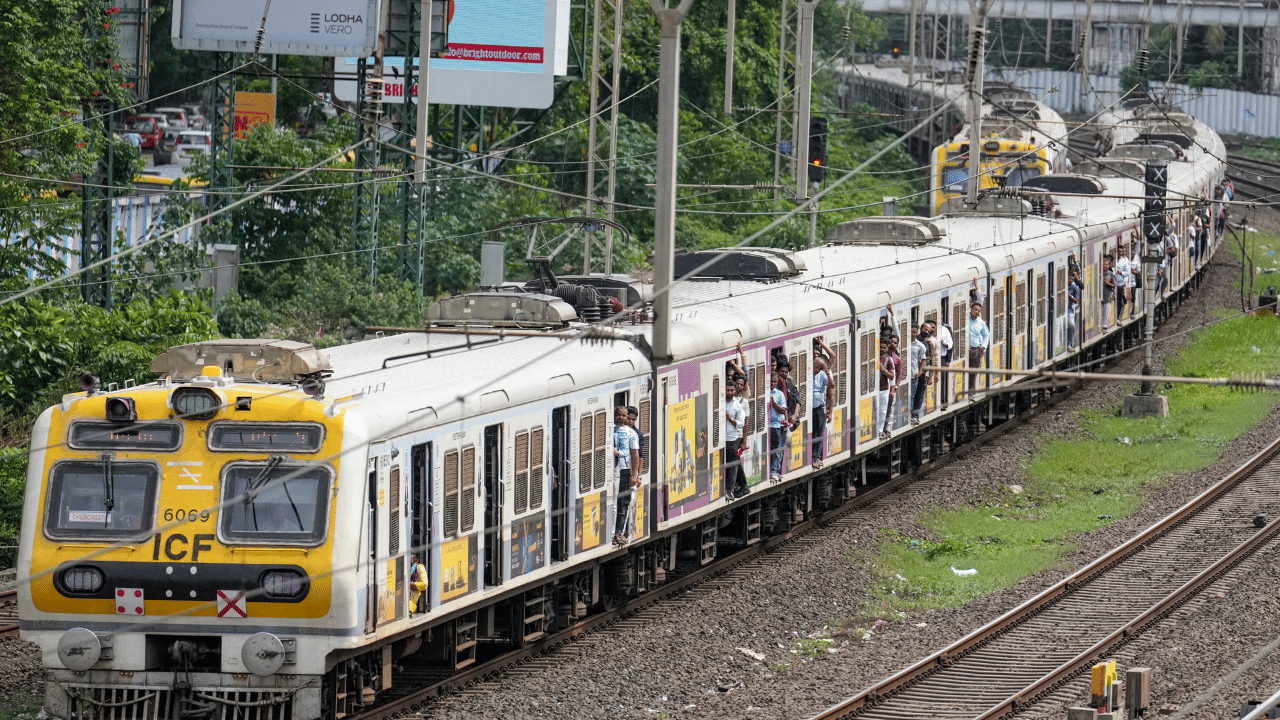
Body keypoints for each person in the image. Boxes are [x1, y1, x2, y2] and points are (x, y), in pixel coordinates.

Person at [612, 406, 640, 546]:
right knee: (612, 503)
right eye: (619, 415)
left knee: (623, 502)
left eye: (624, 415)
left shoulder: (631, 433)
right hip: (612, 471)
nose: (621, 418)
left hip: (624, 470)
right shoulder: (610, 430)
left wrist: (634, 474)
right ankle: (613, 533)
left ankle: (619, 533)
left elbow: (635, 455)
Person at [724, 378, 748, 497]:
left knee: (733, 465)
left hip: (732, 439)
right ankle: (737, 486)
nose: (729, 392)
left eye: (731, 390)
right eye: (727, 390)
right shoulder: (720, 403)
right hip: (721, 440)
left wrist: (730, 419)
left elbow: (741, 423)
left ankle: (730, 490)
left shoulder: (737, 405)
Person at [810, 353, 833, 469]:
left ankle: (815, 457)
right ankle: (812, 457)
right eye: (816, 367)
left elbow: (832, 385)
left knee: (819, 434)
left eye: (820, 367)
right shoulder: (809, 375)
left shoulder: (823, 375)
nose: (817, 369)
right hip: (811, 410)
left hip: (819, 408)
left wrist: (826, 371)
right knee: (812, 433)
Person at [927, 318, 953, 410]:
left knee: (941, 381)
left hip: (941, 359)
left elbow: (950, 344)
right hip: (930, 361)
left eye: (933, 327)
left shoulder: (944, 330)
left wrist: (945, 345)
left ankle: (942, 401)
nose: (932, 329)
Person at [768, 372, 788, 482]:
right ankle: (770, 470)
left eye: (775, 381)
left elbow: (782, 410)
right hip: (768, 426)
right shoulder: (764, 393)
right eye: (771, 381)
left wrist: (773, 403)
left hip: (776, 425)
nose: (773, 383)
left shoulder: (779, 394)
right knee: (770, 449)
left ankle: (774, 470)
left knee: (777, 449)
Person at [966, 301, 989, 394]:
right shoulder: (965, 319)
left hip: (975, 349)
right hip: (965, 349)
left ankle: (971, 390)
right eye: (975, 310)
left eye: (979, 311)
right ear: (971, 310)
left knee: (973, 371)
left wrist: (983, 347)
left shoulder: (981, 322)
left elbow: (986, 335)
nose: (977, 312)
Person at [876, 340, 896, 441]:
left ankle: (880, 431)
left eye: (884, 348)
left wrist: (883, 370)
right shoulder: (873, 358)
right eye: (880, 347)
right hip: (874, 390)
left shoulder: (888, 360)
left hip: (883, 389)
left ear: (887, 349)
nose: (882, 350)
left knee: (882, 411)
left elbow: (892, 376)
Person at [909, 324, 929, 425]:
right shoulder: (904, 343)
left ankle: (912, 416)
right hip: (906, 375)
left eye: (915, 332)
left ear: (917, 333)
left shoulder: (920, 346)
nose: (913, 334)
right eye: (911, 332)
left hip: (913, 375)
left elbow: (923, 360)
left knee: (913, 396)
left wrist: (920, 372)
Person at [626, 405, 646, 473]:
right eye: (629, 419)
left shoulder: (638, 435)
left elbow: (640, 456)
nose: (631, 421)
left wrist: (638, 475)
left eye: (633, 419)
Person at [1115, 245, 1132, 321]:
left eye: (1121, 252)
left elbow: (1127, 272)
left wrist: (1120, 272)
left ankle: (1118, 317)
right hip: (1114, 283)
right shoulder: (1114, 260)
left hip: (1120, 284)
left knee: (1119, 301)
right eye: (1118, 251)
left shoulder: (1124, 261)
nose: (1119, 253)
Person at [1066, 269, 1082, 347]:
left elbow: (1077, 300)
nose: (1070, 280)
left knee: (1071, 324)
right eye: (1069, 279)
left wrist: (1070, 296)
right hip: (1061, 309)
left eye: (1072, 279)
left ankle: (1069, 343)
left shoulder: (1074, 287)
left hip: (1070, 309)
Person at [1100, 254, 1115, 330]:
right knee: (1101, 311)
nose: (1105, 266)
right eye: (1103, 264)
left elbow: (1114, 285)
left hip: (1107, 295)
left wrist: (1108, 284)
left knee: (1106, 311)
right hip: (1100, 294)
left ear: (1109, 266)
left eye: (1106, 264)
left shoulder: (1111, 274)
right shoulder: (1099, 274)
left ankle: (1105, 326)